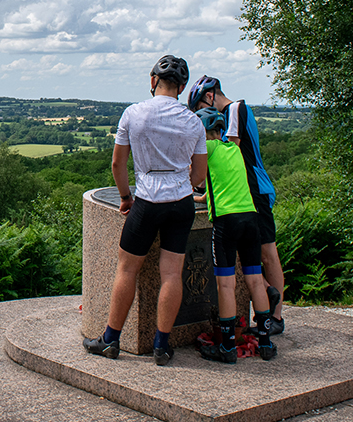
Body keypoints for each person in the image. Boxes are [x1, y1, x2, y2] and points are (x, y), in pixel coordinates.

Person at [83, 55, 208, 365]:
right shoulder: (194, 122)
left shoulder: (133, 114)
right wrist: (184, 184)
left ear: (153, 81)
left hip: (147, 199)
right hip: (180, 203)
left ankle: (111, 339)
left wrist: (126, 197)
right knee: (171, 274)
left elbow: (117, 163)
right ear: (181, 87)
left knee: (127, 269)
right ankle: (162, 346)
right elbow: (199, 176)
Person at [187, 75, 285, 333]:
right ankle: (266, 298)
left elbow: (229, 148)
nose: (204, 115)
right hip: (244, 194)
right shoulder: (230, 112)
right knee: (250, 256)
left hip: (255, 191)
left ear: (209, 96)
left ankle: (275, 318)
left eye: (201, 109)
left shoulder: (235, 109)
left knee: (267, 254)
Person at [193, 107, 277, 363]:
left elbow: (192, 175)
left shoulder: (206, 150)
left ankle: (227, 347)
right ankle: (265, 342)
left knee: (226, 284)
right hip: (250, 218)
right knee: (254, 279)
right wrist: (204, 197)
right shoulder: (234, 150)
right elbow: (224, 181)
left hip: (226, 222)